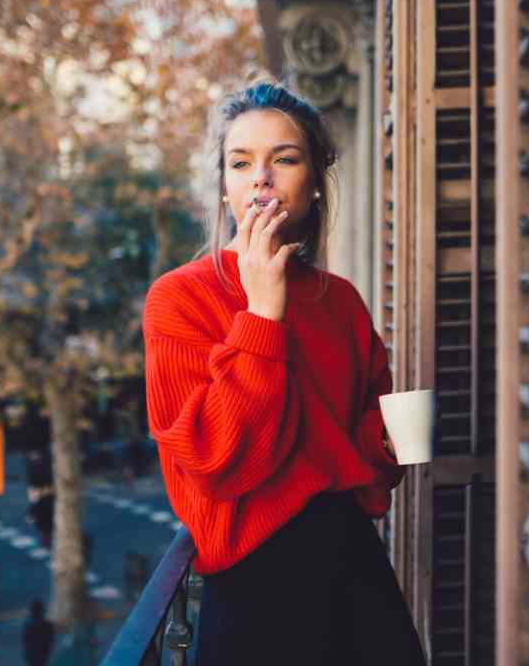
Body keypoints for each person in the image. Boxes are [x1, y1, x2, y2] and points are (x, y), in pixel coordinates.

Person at [143, 80, 427, 666]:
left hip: (355, 569)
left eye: (285, 159)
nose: (261, 178)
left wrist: (377, 446)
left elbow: (378, 455)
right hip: (254, 588)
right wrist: (262, 311)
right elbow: (218, 462)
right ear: (224, 188)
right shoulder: (178, 298)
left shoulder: (340, 301)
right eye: (241, 162)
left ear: (315, 185)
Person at [21, 599, 55, 666]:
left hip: (31, 655)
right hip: (43, 654)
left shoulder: (27, 625)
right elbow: (51, 640)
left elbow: (24, 640)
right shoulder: (48, 625)